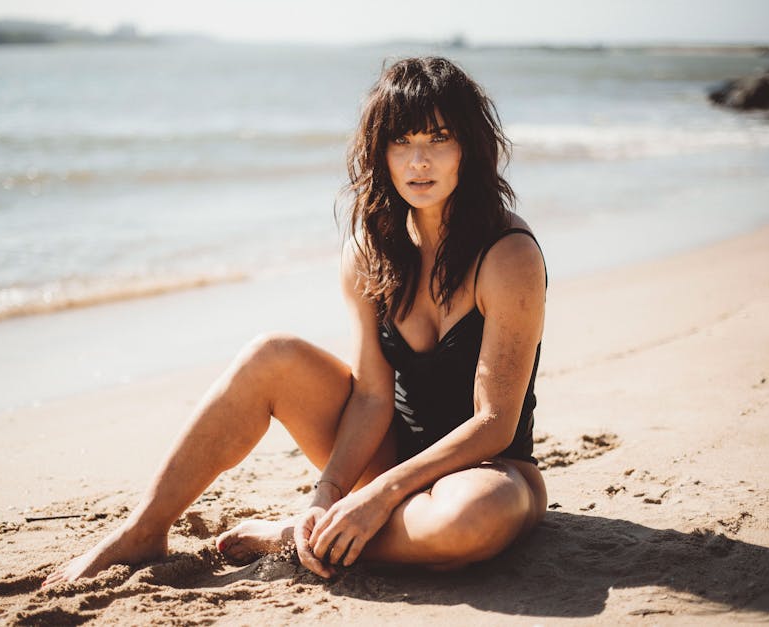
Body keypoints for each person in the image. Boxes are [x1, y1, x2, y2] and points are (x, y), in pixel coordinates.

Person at [44, 56, 547, 585]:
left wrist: (378, 495)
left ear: (469, 146)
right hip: (391, 454)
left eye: (438, 139)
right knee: (271, 356)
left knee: (468, 523)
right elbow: (374, 397)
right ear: (381, 151)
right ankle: (144, 528)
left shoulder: (507, 255)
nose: (418, 161)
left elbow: (494, 424)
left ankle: (299, 536)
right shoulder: (369, 252)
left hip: (487, 472)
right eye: (401, 141)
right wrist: (328, 492)